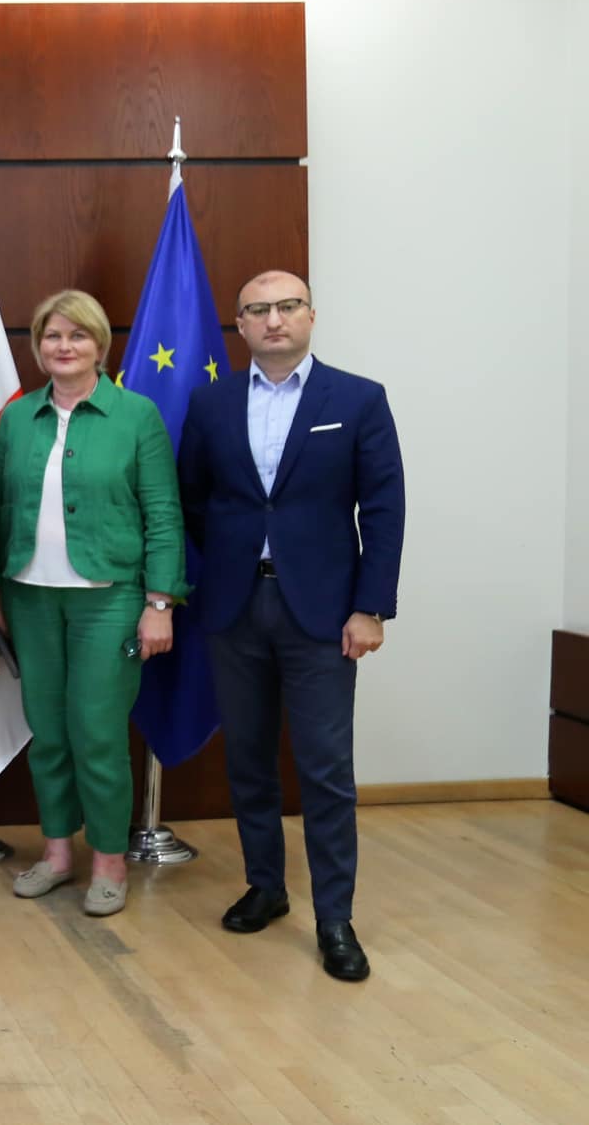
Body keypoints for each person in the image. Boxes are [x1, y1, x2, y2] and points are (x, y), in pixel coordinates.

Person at [178, 270, 404, 981]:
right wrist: (229, 566)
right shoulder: (211, 402)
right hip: (236, 606)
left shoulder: (359, 399)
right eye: (258, 310)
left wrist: (370, 607)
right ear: (240, 324)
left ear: (311, 315)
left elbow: (384, 509)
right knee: (248, 759)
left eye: (287, 307)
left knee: (325, 769)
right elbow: (194, 500)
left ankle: (335, 916)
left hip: (325, 614)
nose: (273, 320)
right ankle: (266, 886)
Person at [0, 289, 183, 918]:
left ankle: (110, 862)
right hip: (29, 597)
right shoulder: (19, 417)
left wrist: (160, 603)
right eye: (52, 336)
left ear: (100, 345)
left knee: (97, 733)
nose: (64, 347)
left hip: (111, 600)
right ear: (38, 346)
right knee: (48, 732)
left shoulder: (136, 415)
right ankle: (58, 853)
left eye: (78, 335)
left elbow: (163, 514)